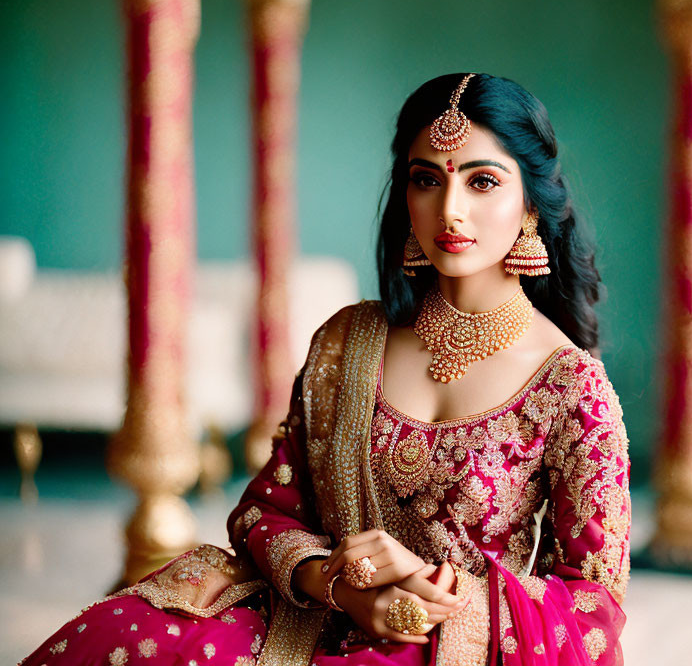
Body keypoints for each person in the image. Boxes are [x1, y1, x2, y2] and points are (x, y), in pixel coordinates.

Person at [21, 72, 630, 666]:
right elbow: (266, 510)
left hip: (450, 648)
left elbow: (594, 609)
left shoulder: (572, 387)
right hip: (303, 612)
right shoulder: (349, 340)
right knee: (118, 639)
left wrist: (429, 597)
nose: (450, 209)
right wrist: (341, 588)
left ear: (530, 202)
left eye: (483, 182)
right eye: (427, 180)